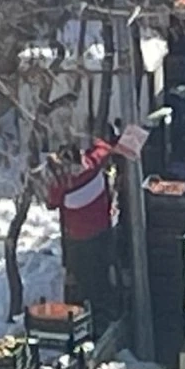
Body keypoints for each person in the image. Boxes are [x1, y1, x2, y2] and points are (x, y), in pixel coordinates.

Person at [45, 138, 119, 334]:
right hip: (103, 230)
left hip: (78, 239)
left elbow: (51, 202)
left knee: (84, 280)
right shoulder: (93, 163)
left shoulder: (63, 181)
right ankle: (105, 312)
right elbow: (104, 147)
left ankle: (87, 320)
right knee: (101, 273)